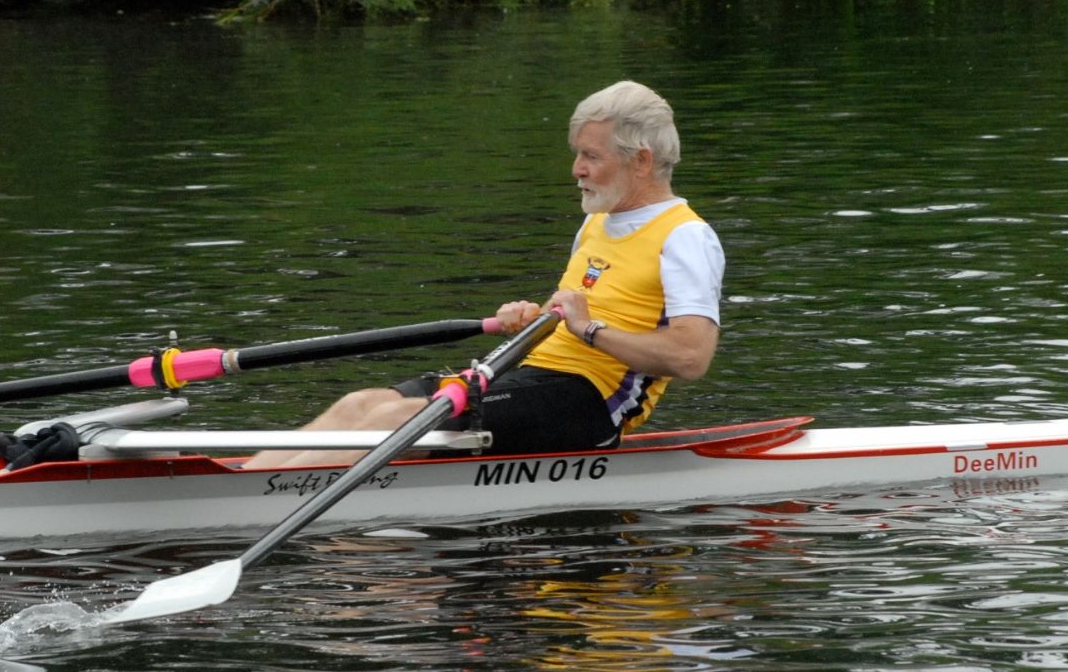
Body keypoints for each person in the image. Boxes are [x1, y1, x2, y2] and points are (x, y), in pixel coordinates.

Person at [243, 80, 725, 470]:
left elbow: (689, 357)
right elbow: (578, 312)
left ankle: (266, 503)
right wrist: (535, 317)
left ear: (640, 161)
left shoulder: (684, 237)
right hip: (534, 374)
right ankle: (243, 482)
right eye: (578, 154)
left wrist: (588, 328)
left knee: (399, 417)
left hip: (591, 402)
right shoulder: (597, 220)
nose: (576, 169)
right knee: (361, 404)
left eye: (591, 157)